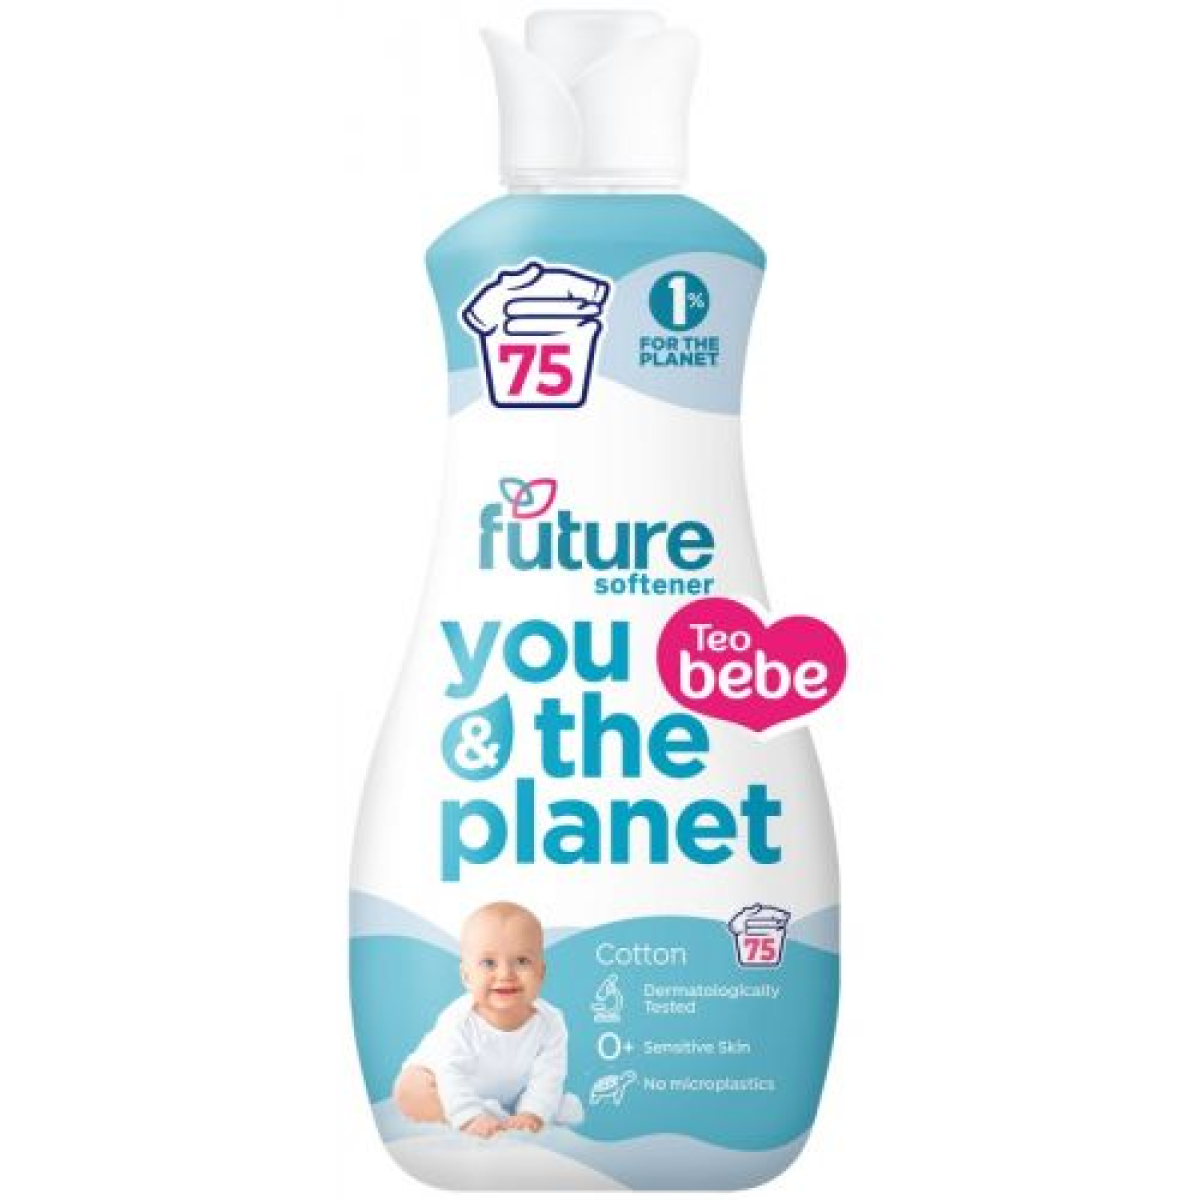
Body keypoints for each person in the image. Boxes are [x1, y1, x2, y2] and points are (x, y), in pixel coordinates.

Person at [394, 901, 582, 1137]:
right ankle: (477, 1117)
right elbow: (451, 1074)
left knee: (546, 1097)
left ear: (541, 972)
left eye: (522, 961)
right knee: (410, 1089)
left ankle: (516, 1113)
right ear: (466, 976)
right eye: (489, 963)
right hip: (441, 1081)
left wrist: (533, 1112)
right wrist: (469, 1116)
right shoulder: (458, 1020)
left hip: (508, 1090)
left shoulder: (550, 1022)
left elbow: (549, 1075)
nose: (505, 974)